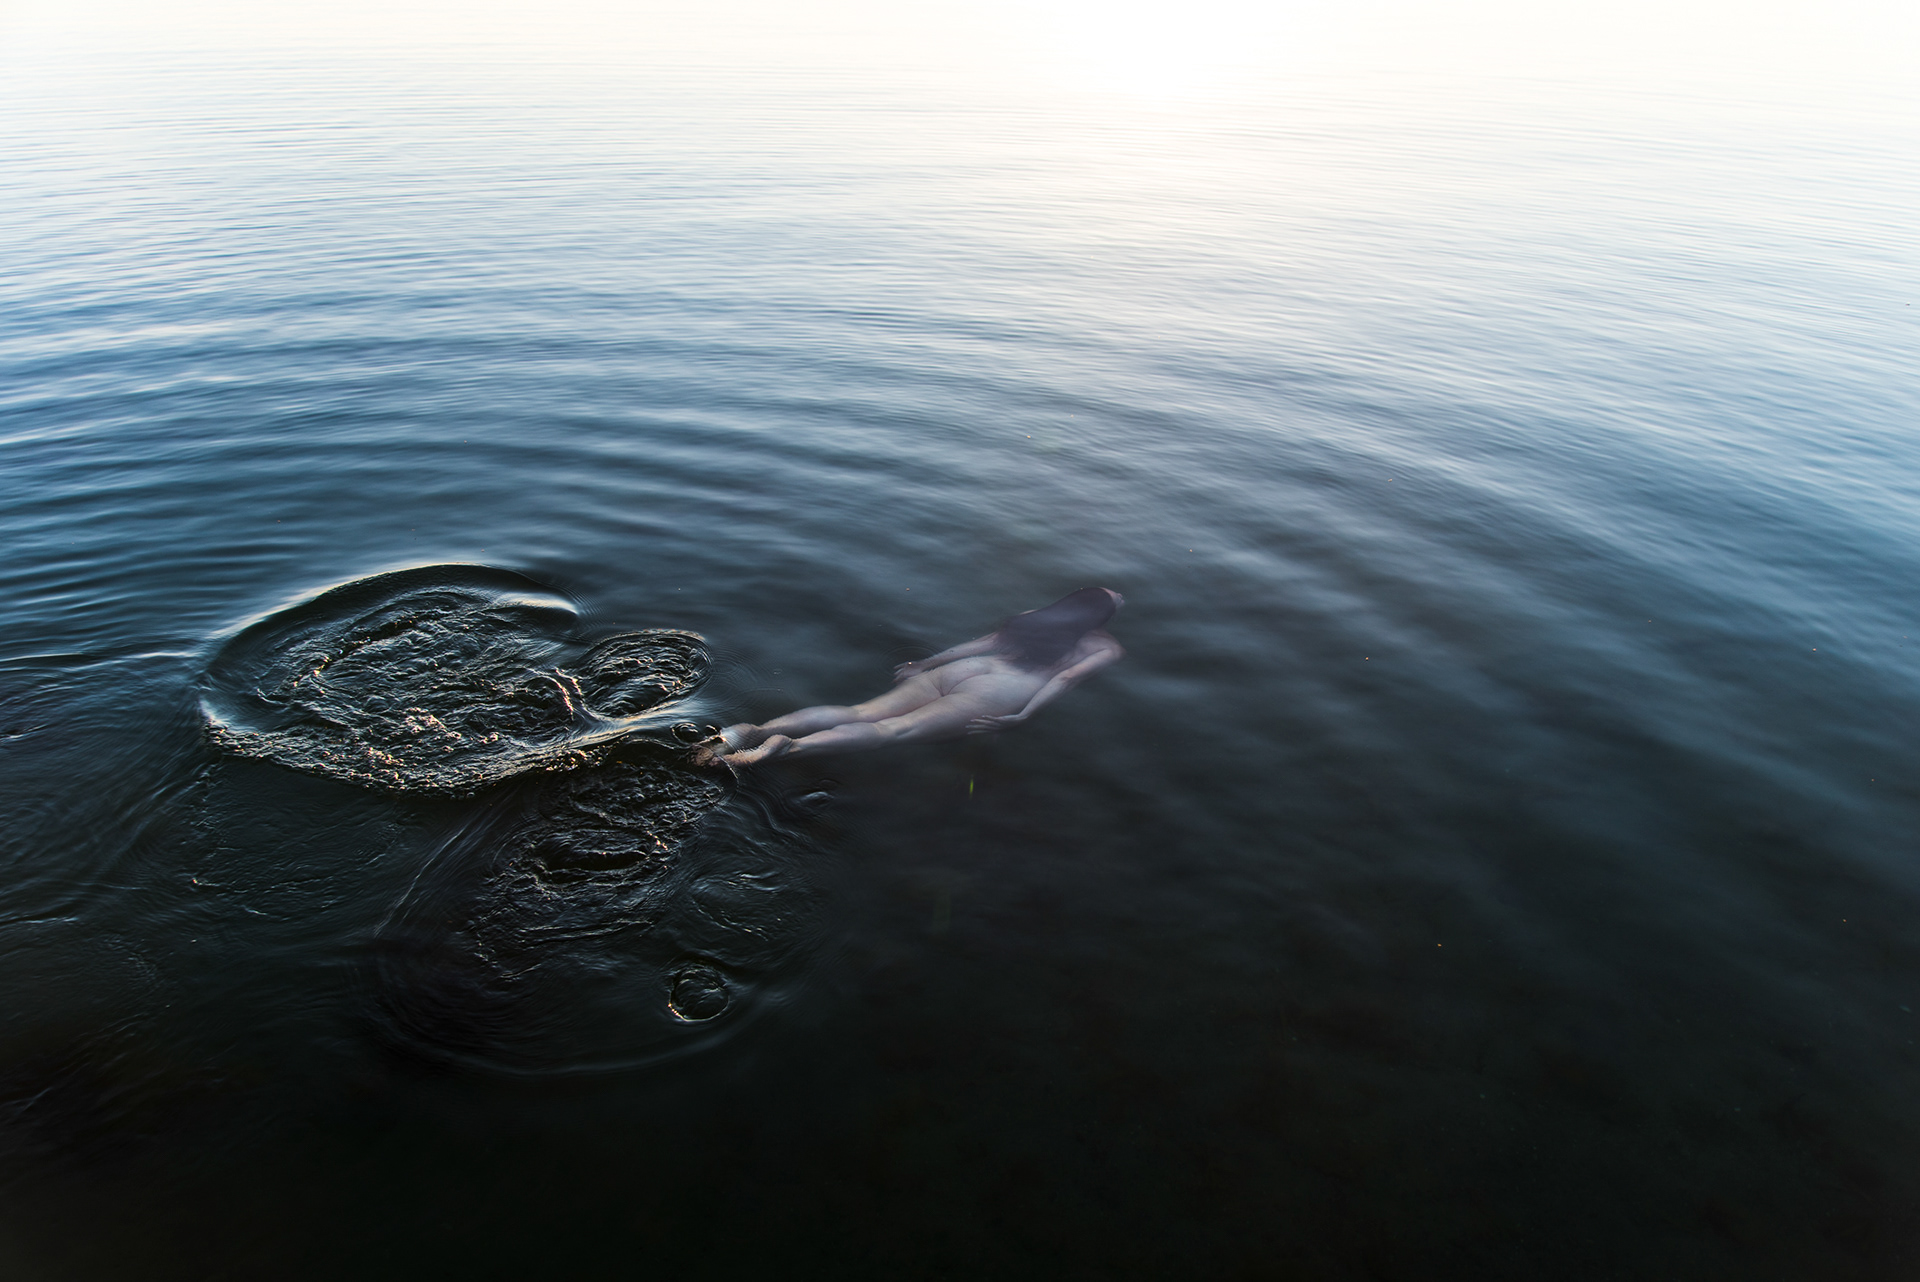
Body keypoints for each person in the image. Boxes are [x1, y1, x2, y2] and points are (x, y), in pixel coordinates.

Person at [709, 587, 1124, 766]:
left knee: (859, 710)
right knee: (894, 731)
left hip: (965, 669)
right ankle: (792, 750)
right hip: (1001, 690)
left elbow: (978, 645)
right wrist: (1023, 717)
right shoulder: (1104, 648)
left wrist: (924, 665)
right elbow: (1064, 681)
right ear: (1100, 617)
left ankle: (753, 730)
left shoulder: (1037, 617)